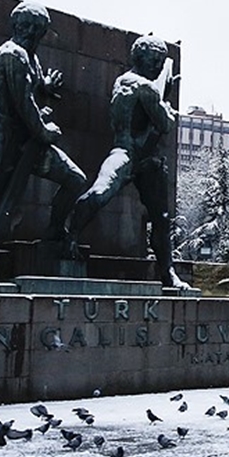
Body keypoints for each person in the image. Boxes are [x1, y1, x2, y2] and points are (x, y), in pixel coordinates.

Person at [0, 2, 87, 282]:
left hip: (28, 142)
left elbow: (31, 87)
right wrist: (44, 131)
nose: (30, 32)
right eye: (25, 26)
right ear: (14, 26)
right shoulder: (11, 54)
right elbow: (23, 103)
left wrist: (45, 87)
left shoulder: (30, 57)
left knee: (75, 180)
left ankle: (54, 234)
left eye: (37, 29)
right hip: (2, 136)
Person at [68, 35, 188, 289]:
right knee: (107, 195)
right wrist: (165, 101)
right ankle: (167, 273)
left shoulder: (122, 81)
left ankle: (68, 235)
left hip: (131, 154)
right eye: (154, 59)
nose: (157, 65)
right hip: (133, 154)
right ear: (141, 58)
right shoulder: (143, 86)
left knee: (155, 214)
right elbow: (164, 123)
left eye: (159, 60)